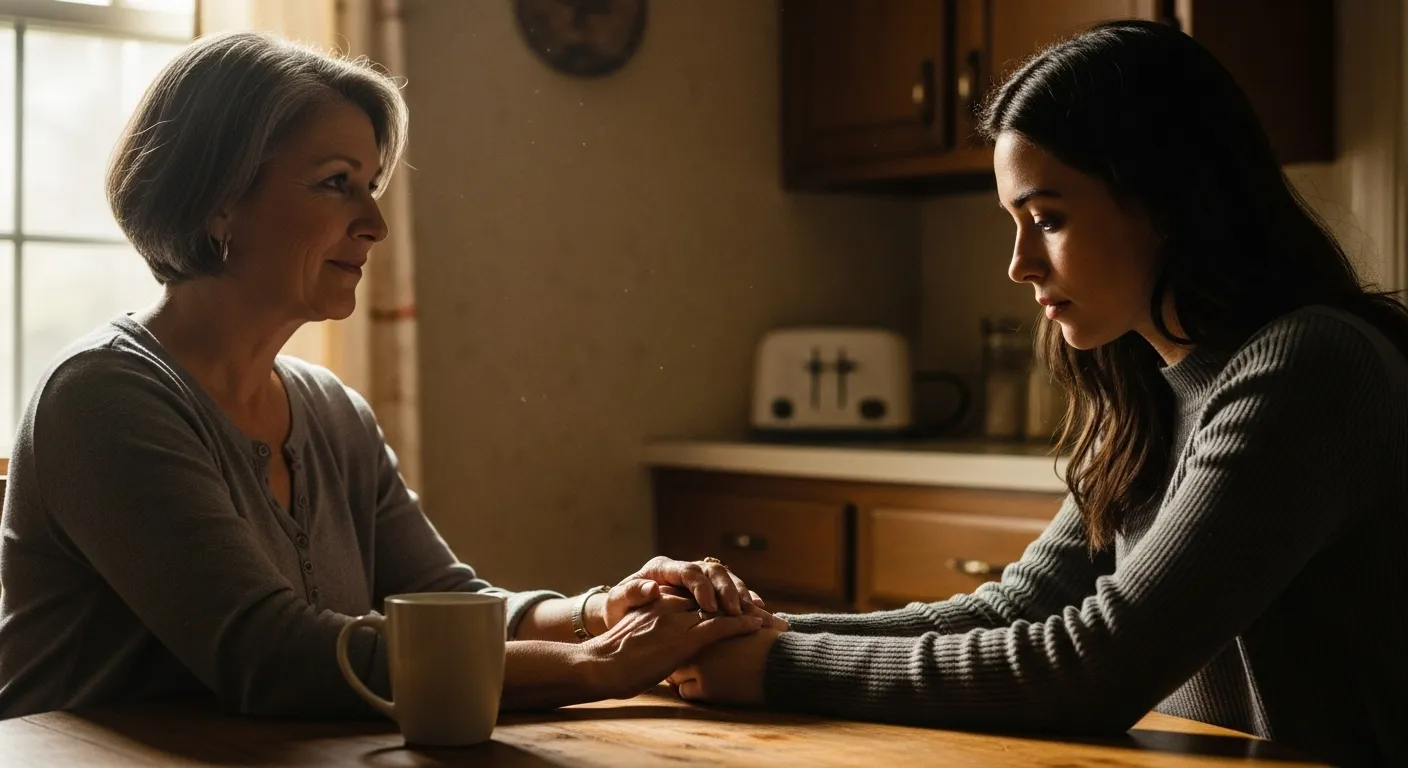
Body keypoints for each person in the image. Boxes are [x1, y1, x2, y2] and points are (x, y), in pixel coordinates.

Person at [667, 19, 1408, 767]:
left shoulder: (1311, 367)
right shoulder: (1142, 393)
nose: (1020, 265)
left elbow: (1100, 663)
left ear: (1167, 199)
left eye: (1047, 219)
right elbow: (1013, 610)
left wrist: (773, 668)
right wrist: (759, 633)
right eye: (1015, 224)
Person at [0, 31, 782, 720]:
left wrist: (602, 609)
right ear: (219, 204)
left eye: (371, 183)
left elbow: (450, 606)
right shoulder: (102, 397)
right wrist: (604, 663)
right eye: (338, 182)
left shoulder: (330, 409)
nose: (373, 222)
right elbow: (270, 657)